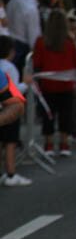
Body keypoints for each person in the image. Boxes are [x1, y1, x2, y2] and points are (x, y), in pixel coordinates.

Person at [32, 9, 76, 158]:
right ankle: (64, 143)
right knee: (66, 114)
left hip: (47, 84)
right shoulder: (69, 43)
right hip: (66, 85)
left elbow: (37, 63)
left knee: (48, 115)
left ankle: (48, 144)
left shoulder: (41, 42)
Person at [0, 35, 30, 185]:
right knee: (10, 141)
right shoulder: (10, 68)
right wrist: (25, 84)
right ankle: (11, 173)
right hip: (9, 107)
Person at [6, 0, 43, 72]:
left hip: (9, 42)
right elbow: (33, 38)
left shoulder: (14, 0)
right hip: (21, 50)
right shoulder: (31, 9)